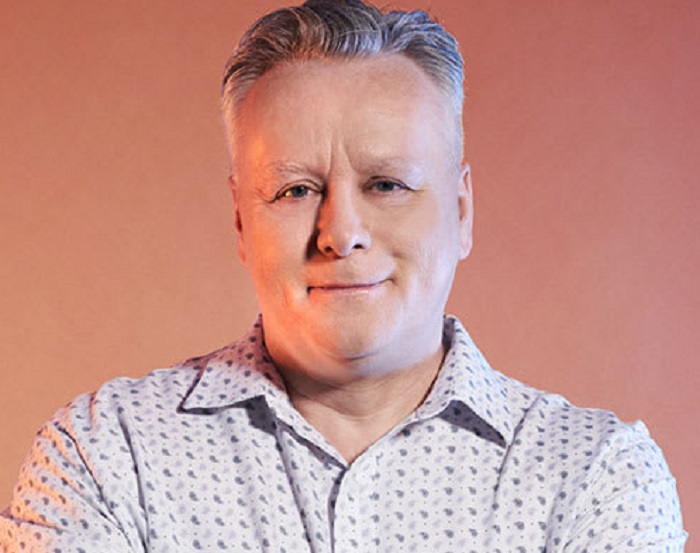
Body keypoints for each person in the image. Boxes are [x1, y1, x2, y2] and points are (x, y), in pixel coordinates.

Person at [0, 0, 687, 550]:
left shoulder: (595, 476)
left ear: (461, 211)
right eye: (295, 190)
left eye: (387, 184)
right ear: (241, 222)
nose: (340, 232)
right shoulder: (105, 456)